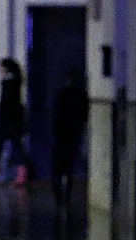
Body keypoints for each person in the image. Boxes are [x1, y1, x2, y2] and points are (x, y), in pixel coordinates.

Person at [0, 58, 29, 187]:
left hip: (8, 121)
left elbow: (6, 104)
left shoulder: (8, 83)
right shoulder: (15, 82)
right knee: (14, 147)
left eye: (1, 68)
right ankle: (20, 174)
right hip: (13, 121)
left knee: (4, 147)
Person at [51, 70, 88, 207]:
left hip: (61, 135)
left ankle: (58, 197)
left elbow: (55, 115)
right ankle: (66, 196)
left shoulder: (61, 95)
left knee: (57, 168)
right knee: (69, 167)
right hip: (74, 135)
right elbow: (84, 115)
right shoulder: (81, 96)